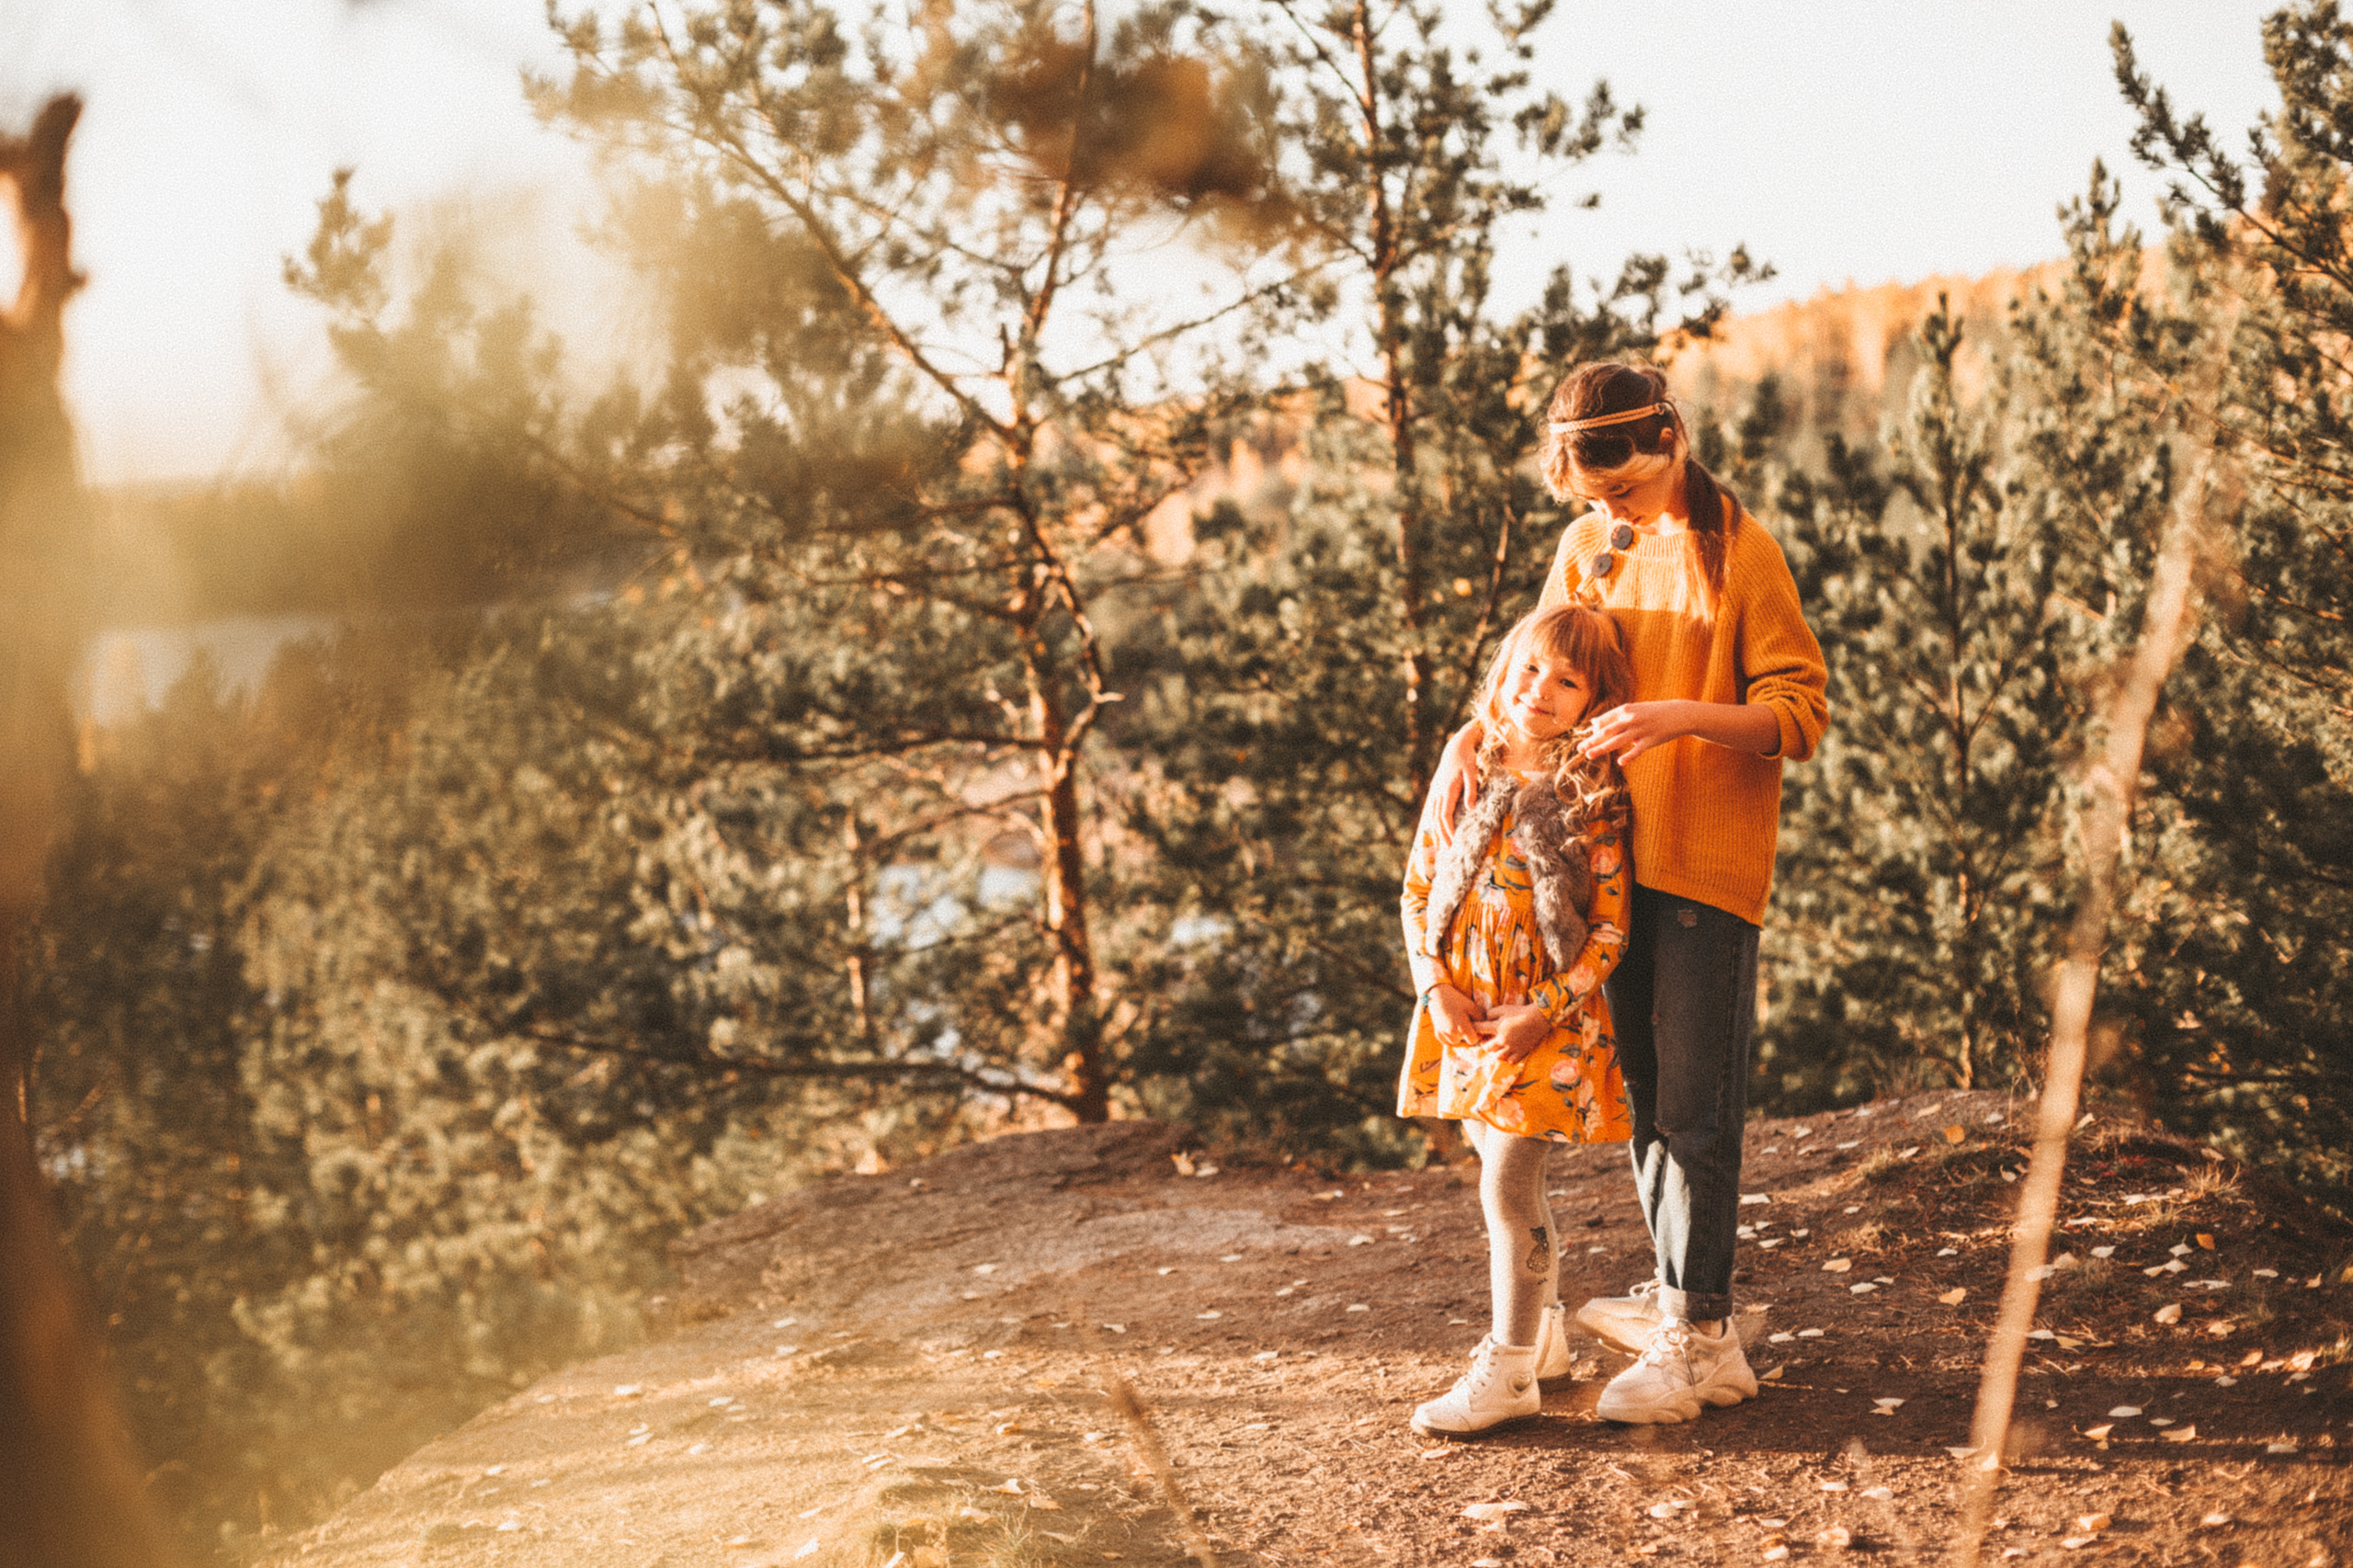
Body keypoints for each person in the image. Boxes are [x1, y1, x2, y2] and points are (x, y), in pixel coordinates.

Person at [1431, 361, 1828, 1426]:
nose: (1605, 510)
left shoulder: (1741, 553)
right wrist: (1484, 728)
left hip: (1700, 863)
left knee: (1693, 1109)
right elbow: (1544, 668)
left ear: (1669, 439)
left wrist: (1677, 716)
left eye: (1620, 487)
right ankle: (1677, 1295)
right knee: (1649, 1101)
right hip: (1594, 868)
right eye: (1588, 494)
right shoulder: (1586, 547)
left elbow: (1799, 713)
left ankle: (1703, 1343)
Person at [1397, 604, 1637, 1437]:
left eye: (1567, 682)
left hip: (1545, 1025)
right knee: (1503, 1176)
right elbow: (1419, 886)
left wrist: (1546, 1009)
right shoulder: (1470, 759)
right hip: (1463, 1017)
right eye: (1530, 670)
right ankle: (1546, 1341)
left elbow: (1608, 927)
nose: (1541, 691)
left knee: (1507, 1183)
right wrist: (1434, 985)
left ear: (1594, 699)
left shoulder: (1592, 789)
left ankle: (1507, 1369)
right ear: (1504, 670)